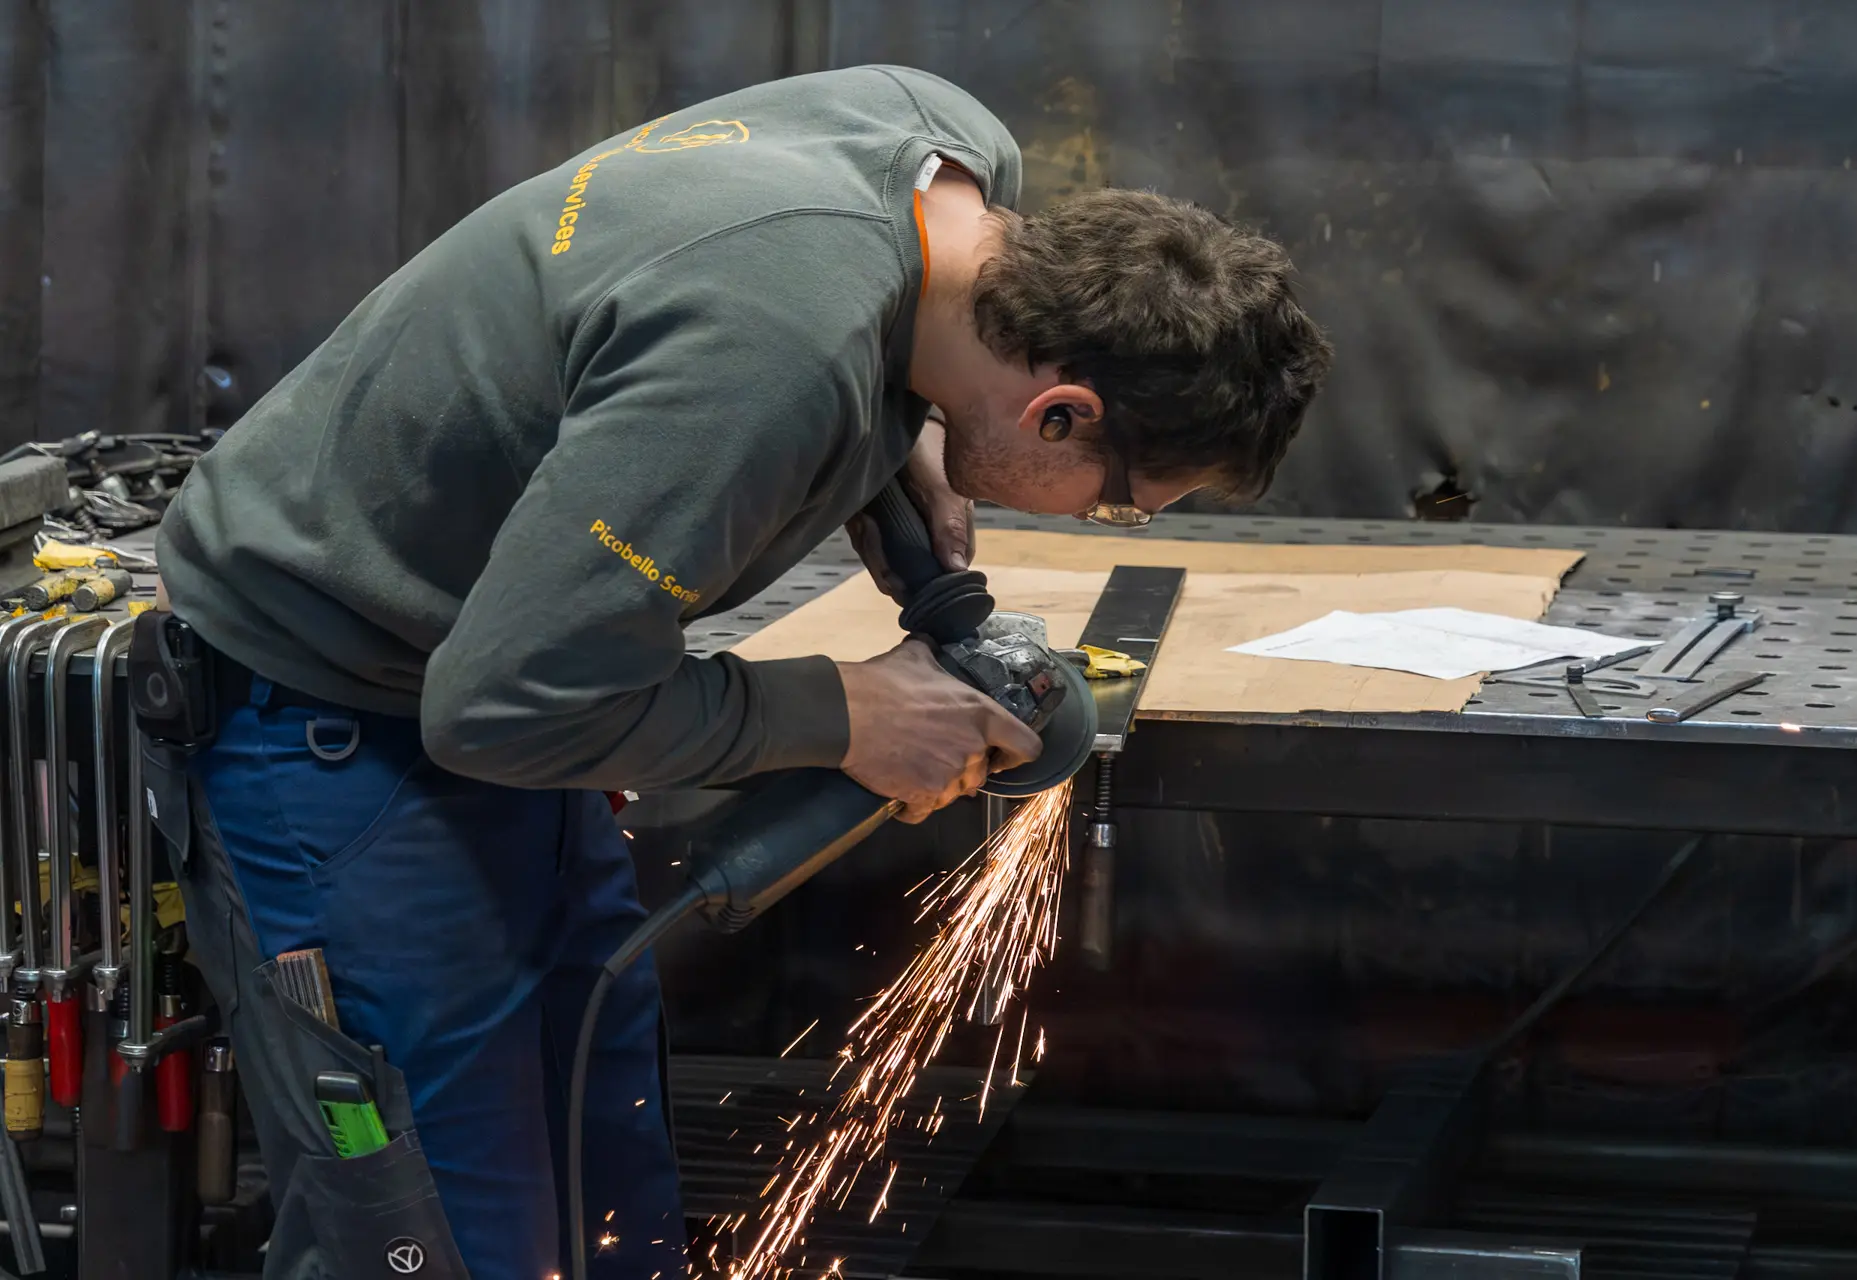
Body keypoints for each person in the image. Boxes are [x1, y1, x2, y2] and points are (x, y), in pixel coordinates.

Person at [150, 66, 1331, 1280]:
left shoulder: (945, 157)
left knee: (600, 1182)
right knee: (450, 1235)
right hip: (328, 699)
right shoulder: (768, 352)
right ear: (1061, 413)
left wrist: (904, 440)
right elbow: (500, 706)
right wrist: (844, 711)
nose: (1100, 523)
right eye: (1122, 508)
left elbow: (818, 324)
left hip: (522, 666)